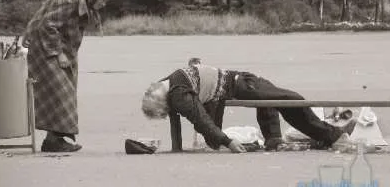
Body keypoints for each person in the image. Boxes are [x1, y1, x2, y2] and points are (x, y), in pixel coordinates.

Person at [141, 59, 357, 153]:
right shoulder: (171, 87)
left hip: (236, 83)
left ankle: (274, 139)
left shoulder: (172, 89)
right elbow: (201, 119)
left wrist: (224, 141)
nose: (169, 112)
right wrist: (229, 142)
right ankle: (333, 135)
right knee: (291, 99)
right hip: (237, 84)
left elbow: (198, 118)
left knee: (280, 97)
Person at [22, 0, 116, 152]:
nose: (103, 4)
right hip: (46, 50)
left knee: (61, 95)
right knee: (61, 93)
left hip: (59, 52)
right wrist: (59, 53)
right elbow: (47, 25)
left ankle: (53, 140)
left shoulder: (81, 1)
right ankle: (54, 141)